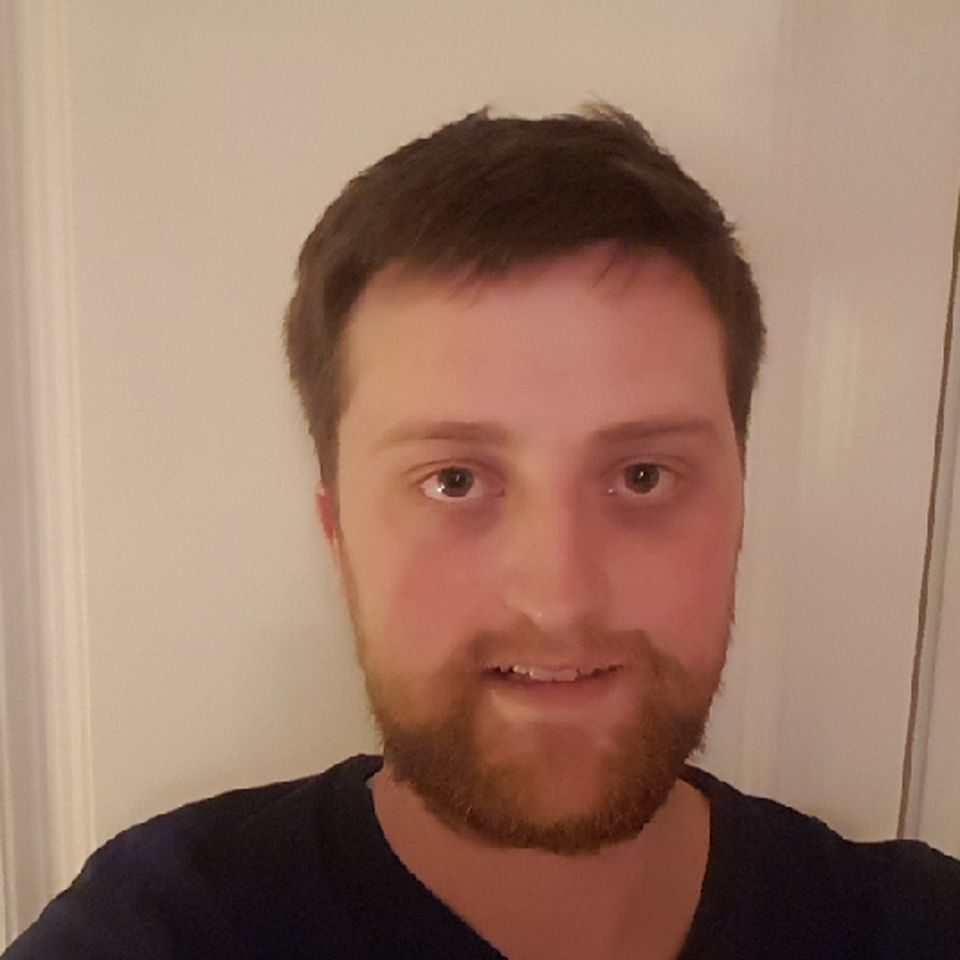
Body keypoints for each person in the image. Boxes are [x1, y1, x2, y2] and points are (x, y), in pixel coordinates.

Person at [5, 105, 959, 960]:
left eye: (644, 475)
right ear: (338, 537)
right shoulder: (167, 928)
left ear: (738, 509)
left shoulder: (910, 925)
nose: (561, 599)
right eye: (454, 480)